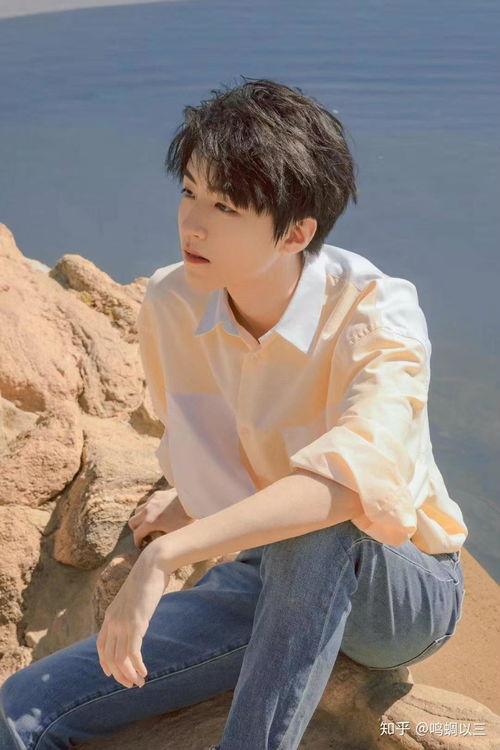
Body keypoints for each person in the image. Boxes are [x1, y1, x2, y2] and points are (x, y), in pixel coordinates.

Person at [0, 77, 468, 750]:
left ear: (295, 233)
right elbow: (218, 450)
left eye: (224, 205)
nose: (193, 223)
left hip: (401, 591)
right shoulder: (173, 303)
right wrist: (189, 501)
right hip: (264, 575)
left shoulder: (377, 313)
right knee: (22, 708)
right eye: (189, 191)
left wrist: (166, 557)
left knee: (320, 524)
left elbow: (348, 486)